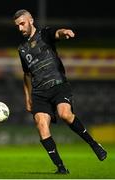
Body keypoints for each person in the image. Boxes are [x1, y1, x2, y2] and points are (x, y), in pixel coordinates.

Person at [13, 9, 107, 174]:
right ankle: (61, 168)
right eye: (17, 26)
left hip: (58, 85)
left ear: (31, 20)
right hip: (39, 92)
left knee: (65, 114)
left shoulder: (44, 34)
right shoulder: (22, 49)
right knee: (41, 126)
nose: (20, 28)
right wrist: (28, 98)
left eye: (22, 23)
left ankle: (94, 145)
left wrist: (65, 32)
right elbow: (26, 75)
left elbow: (58, 33)